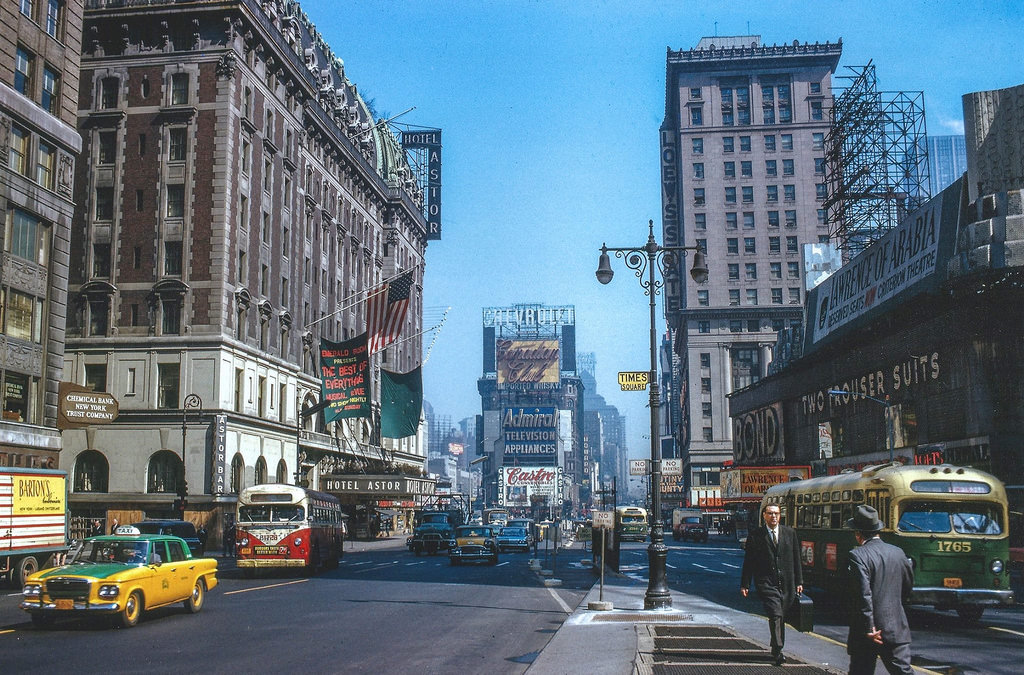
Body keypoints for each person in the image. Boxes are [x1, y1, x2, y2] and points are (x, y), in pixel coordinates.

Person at [846, 505, 914, 675]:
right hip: (895, 627)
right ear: (878, 531)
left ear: (858, 534)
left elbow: (863, 595)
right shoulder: (898, 553)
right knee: (903, 672)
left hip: (867, 632)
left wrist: (869, 628)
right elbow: (907, 587)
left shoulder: (858, 556)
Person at [740, 503, 803, 666]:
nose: (773, 516)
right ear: (764, 516)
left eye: (776, 513)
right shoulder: (755, 536)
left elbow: (797, 559)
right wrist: (745, 584)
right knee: (775, 614)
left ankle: (775, 647)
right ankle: (779, 649)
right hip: (766, 583)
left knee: (780, 616)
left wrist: (799, 581)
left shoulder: (790, 533)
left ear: (780, 515)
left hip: (787, 583)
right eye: (770, 513)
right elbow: (749, 562)